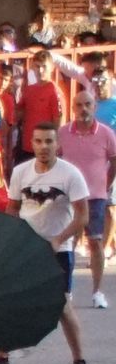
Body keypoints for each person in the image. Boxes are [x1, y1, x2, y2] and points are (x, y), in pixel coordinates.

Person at [0, 121, 90, 364]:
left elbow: (82, 216)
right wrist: (9, 237)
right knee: (9, 303)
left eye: (49, 141)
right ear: (32, 144)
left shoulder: (70, 175)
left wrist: (59, 239)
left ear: (58, 144)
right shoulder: (21, 172)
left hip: (57, 249)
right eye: (39, 141)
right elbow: (13, 208)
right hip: (25, 249)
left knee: (62, 307)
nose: (44, 147)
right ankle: (2, 357)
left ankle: (79, 362)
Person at [57, 89, 116, 308]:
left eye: (88, 104)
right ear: (73, 108)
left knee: (96, 241)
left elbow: (114, 161)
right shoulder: (63, 133)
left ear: (95, 107)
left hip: (95, 195)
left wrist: (105, 183)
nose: (84, 109)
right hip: (69, 197)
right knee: (67, 242)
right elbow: (54, 158)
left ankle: (97, 291)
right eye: (79, 105)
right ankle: (66, 291)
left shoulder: (106, 134)